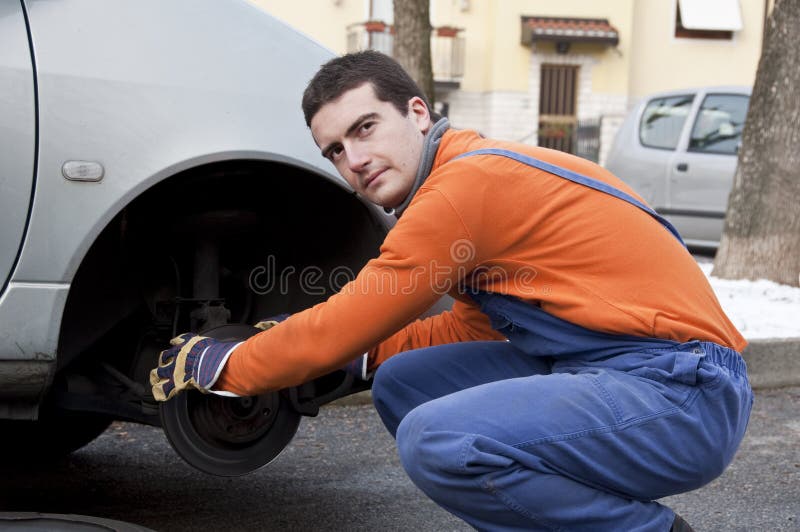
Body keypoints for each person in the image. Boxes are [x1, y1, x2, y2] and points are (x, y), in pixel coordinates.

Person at [151, 50, 752, 531]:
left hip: (683, 394)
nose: (355, 160)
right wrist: (367, 356)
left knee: (437, 438)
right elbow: (477, 326)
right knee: (403, 383)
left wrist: (230, 365)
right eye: (336, 150)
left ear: (417, 113)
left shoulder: (467, 186)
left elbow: (352, 314)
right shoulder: (467, 177)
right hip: (618, 368)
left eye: (365, 128)